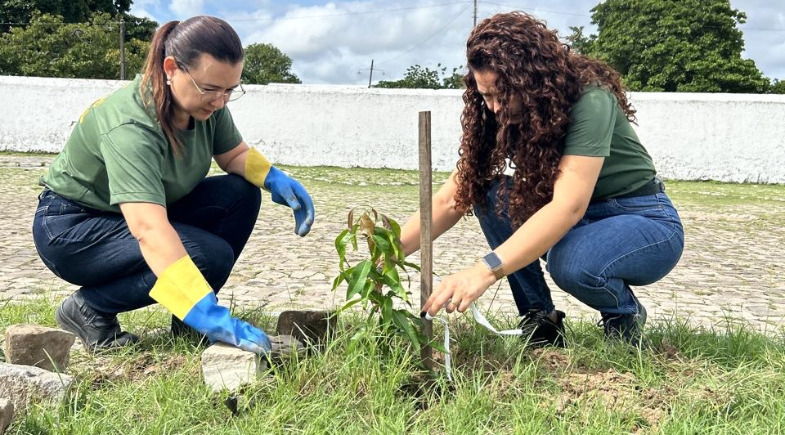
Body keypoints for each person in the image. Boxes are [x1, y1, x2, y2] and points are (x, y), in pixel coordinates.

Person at [32, 16, 314, 353]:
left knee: (240, 193)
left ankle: (187, 323)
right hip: (73, 228)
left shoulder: (206, 104)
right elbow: (149, 230)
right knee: (207, 256)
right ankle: (91, 308)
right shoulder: (130, 125)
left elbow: (233, 154)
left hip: (132, 214)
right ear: (171, 68)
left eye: (230, 90)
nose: (220, 101)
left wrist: (274, 178)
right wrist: (209, 312)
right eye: (211, 89)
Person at [405, 12, 684, 347]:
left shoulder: (590, 100)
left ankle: (623, 313)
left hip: (640, 218)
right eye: (485, 95)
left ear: (531, 79)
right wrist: (387, 252)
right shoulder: (504, 115)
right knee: (489, 194)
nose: (493, 108)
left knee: (572, 264)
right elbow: (452, 198)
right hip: (580, 221)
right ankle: (541, 321)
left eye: (501, 94)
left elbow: (568, 206)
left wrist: (484, 271)